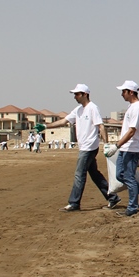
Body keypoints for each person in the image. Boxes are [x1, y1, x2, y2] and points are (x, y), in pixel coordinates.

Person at [43, 83, 120, 212]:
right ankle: (112, 197)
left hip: (90, 147)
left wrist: (106, 144)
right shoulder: (78, 110)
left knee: (79, 174)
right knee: (94, 174)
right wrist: (46, 126)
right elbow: (63, 121)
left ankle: (74, 203)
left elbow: (101, 126)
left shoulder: (92, 108)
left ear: (85, 94)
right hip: (84, 146)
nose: (75, 97)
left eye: (77, 94)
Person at [105, 80, 139, 217]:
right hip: (127, 147)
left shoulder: (137, 108)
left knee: (128, 177)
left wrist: (117, 145)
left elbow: (132, 131)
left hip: (132, 148)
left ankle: (132, 207)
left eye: (123, 91)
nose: (122, 94)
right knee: (120, 175)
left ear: (131, 92)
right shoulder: (132, 107)